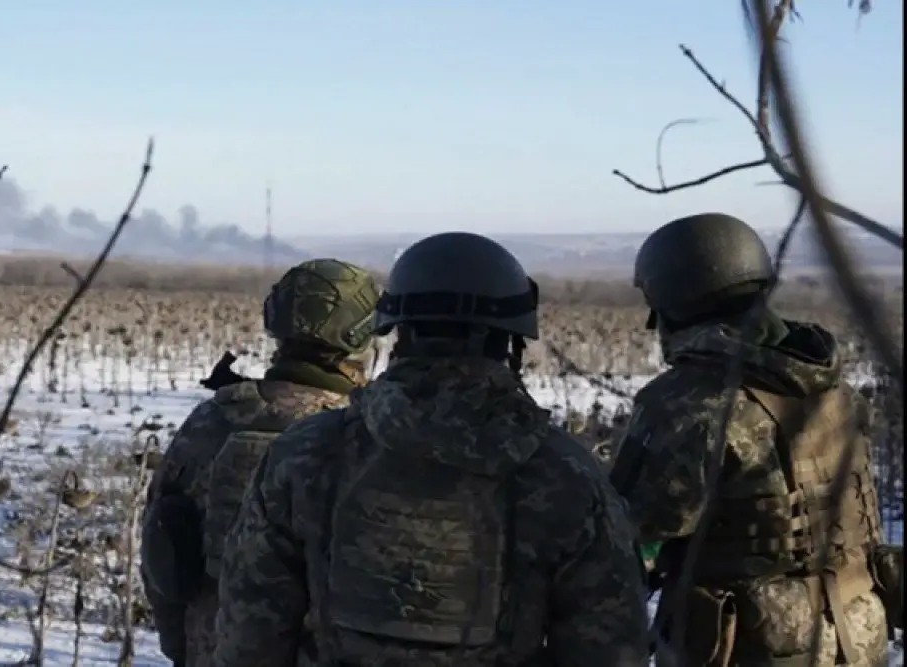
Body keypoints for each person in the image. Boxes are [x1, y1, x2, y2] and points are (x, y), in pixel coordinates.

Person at [211, 232, 651, 667]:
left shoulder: (304, 456)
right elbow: (610, 647)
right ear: (511, 340)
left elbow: (251, 632)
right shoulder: (567, 477)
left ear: (395, 330)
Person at [609, 212, 893, 667]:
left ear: (676, 301)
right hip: (858, 633)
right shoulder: (835, 389)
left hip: (752, 644)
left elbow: (628, 531)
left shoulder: (688, 401)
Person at [140, 258, 382, 667]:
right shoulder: (363, 436)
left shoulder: (214, 420)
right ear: (359, 340)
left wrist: (184, 651)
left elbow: (161, 554)